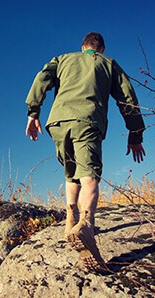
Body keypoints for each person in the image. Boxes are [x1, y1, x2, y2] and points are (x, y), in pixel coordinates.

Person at [25, 32, 146, 271]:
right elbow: (127, 97)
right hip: (87, 119)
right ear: (100, 48)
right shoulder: (108, 63)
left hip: (58, 123)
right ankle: (86, 225)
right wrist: (135, 134)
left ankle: (70, 220)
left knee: (72, 173)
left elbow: (42, 77)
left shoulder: (61, 59)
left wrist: (33, 111)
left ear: (83, 47)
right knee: (89, 175)